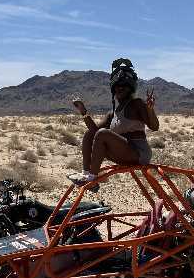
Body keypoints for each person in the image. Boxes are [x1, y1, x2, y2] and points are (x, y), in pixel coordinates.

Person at [68, 58, 159, 186]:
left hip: (138, 153)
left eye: (123, 86)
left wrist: (150, 110)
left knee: (103, 133)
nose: (119, 89)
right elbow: (94, 131)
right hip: (123, 153)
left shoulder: (136, 104)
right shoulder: (112, 113)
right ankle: (86, 173)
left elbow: (154, 126)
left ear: (130, 88)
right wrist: (83, 111)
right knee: (89, 134)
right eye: (117, 87)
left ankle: (92, 178)